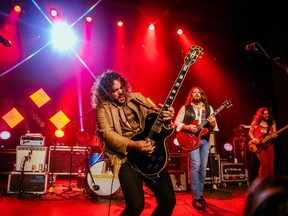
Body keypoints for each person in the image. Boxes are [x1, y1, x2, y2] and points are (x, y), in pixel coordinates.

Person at [90, 70, 176, 216]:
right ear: (106, 93)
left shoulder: (138, 98)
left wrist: (167, 119)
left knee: (168, 200)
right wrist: (135, 145)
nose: (120, 93)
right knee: (135, 206)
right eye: (115, 91)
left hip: (149, 154)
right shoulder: (103, 108)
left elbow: (157, 120)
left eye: (121, 88)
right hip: (125, 159)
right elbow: (108, 134)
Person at [174, 86, 219, 210]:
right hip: (191, 140)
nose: (196, 94)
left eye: (198, 92)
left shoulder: (209, 108)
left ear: (202, 95)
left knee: (203, 168)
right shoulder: (185, 108)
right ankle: (196, 197)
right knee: (196, 165)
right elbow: (176, 123)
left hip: (204, 140)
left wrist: (213, 122)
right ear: (191, 95)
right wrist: (188, 127)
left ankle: (199, 194)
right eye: (194, 92)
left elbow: (214, 127)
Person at [248, 107, 277, 178]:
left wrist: (275, 135)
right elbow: (250, 132)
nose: (267, 115)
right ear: (261, 115)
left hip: (269, 144)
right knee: (265, 164)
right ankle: (261, 182)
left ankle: (270, 183)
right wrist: (253, 138)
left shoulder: (272, 123)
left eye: (268, 113)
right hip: (259, 145)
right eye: (264, 114)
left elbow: (274, 133)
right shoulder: (255, 123)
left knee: (270, 165)